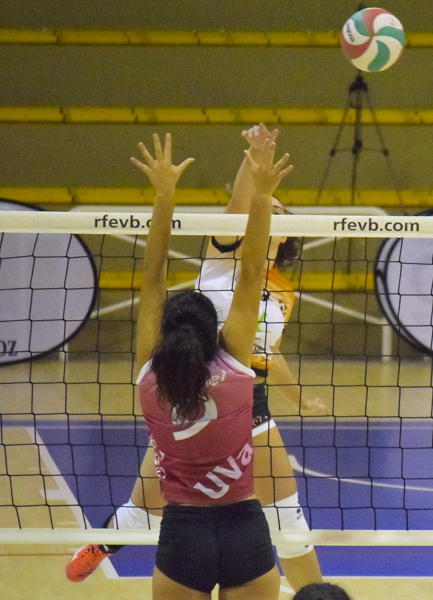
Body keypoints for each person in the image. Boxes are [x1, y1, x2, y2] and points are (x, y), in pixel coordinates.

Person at [66, 126, 325, 590]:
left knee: (289, 526)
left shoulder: (283, 295)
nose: (267, 218)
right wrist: (253, 160)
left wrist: (300, 400)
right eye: (270, 211)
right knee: (140, 514)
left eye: (278, 215)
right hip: (178, 391)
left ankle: (318, 594)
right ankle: (99, 545)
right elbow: (239, 209)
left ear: (286, 238)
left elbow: (270, 356)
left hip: (243, 403)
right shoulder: (223, 259)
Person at [131, 133, 287, 598]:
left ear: (165, 336)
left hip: (183, 535)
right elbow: (252, 273)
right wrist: (262, 195)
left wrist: (163, 195)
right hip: (245, 530)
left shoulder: (149, 377)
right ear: (214, 334)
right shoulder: (238, 367)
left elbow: (153, 277)